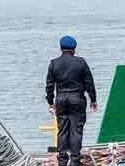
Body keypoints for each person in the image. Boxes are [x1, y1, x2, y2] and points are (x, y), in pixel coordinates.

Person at [45, 36, 98, 166]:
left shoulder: (54, 63)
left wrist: (50, 101)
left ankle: (62, 160)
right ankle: (75, 160)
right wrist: (93, 99)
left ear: (61, 48)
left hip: (61, 99)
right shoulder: (81, 63)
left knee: (62, 130)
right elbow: (89, 82)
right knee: (76, 130)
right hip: (77, 99)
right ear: (74, 49)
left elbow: (49, 85)